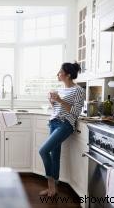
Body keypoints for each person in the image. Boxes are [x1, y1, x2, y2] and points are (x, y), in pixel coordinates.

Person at [39, 62, 85, 197]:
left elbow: (75, 112)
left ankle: (51, 186)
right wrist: (52, 102)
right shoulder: (61, 89)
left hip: (65, 125)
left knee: (43, 150)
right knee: (55, 156)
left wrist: (59, 100)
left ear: (68, 75)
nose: (57, 74)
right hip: (53, 122)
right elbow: (58, 109)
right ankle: (53, 189)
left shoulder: (78, 90)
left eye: (60, 72)